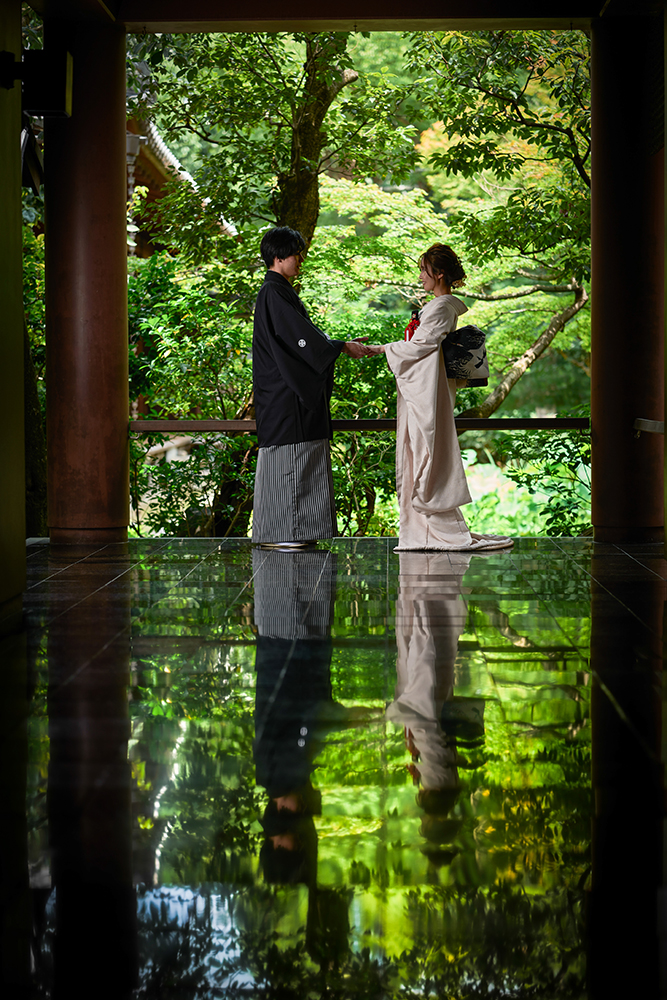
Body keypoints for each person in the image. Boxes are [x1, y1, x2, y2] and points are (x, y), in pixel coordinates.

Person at [368, 244, 513, 551]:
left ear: (440, 273)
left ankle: (435, 529)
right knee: (419, 449)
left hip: (428, 388)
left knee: (424, 450)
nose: (420, 276)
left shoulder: (442, 307)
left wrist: (380, 349)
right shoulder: (437, 306)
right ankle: (422, 531)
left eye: (424, 270)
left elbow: (422, 346)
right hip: (425, 385)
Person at [252, 226, 372, 549]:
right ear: (279, 257)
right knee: (292, 465)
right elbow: (302, 341)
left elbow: (303, 338)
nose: (300, 260)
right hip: (287, 400)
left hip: (283, 398)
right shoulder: (273, 293)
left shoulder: (277, 292)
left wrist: (337, 345)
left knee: (295, 465)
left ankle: (292, 533)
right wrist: (338, 346)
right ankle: (286, 534)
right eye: (296, 254)